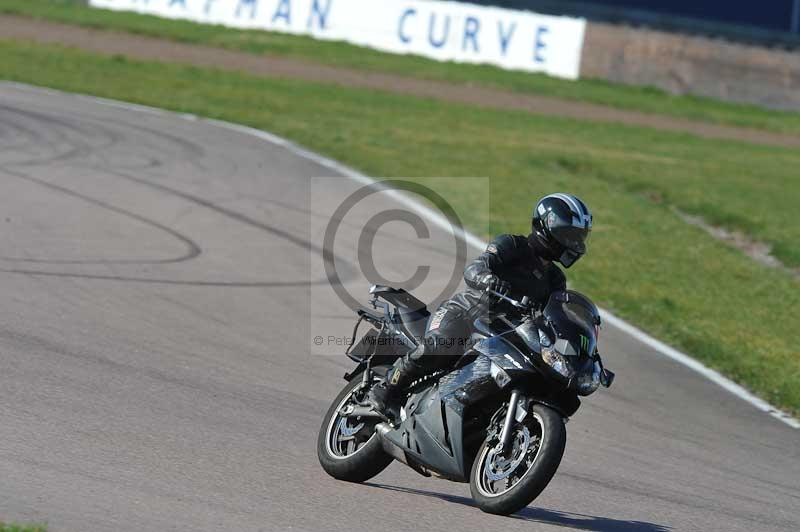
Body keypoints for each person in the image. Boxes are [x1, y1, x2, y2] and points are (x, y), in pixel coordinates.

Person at [366, 193, 593, 414]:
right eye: (569, 235)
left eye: (578, 237)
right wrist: (487, 279)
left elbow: (554, 316)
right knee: (439, 345)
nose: (573, 243)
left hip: (504, 333)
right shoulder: (512, 245)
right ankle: (386, 389)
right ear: (547, 226)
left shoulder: (555, 279)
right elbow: (476, 267)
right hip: (465, 313)